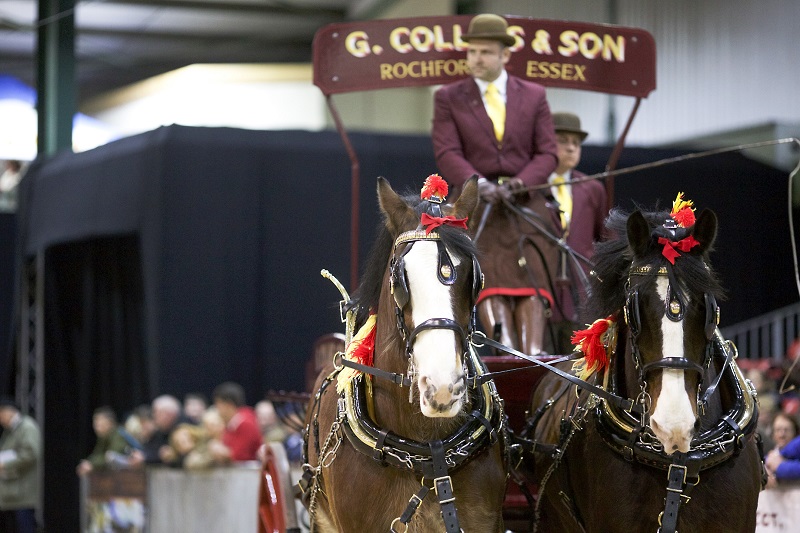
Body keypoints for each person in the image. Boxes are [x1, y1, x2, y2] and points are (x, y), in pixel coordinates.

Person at [432, 13, 559, 356]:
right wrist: (478, 185)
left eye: (485, 52)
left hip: (524, 204)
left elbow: (548, 153)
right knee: (489, 281)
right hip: (479, 206)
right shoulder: (449, 97)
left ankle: (534, 357)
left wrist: (521, 183)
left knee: (533, 282)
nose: (476, 58)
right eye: (472, 51)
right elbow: (446, 151)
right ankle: (507, 356)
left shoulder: (534, 95)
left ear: (505, 54)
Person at [547, 112, 608, 353]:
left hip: (582, 294)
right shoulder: (530, 187)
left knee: (580, 363)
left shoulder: (592, 188)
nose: (571, 148)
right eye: (563, 140)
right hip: (543, 294)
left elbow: (605, 240)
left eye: (576, 143)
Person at [0, 397, 41, 533]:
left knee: (24, 527)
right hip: (8, 495)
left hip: (23, 494)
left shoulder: (27, 427)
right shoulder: (8, 432)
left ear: (8, 412)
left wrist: (5, 465)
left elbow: (30, 454)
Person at [128, 395, 191, 466]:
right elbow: (155, 450)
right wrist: (143, 456)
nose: (154, 417)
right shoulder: (162, 429)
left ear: (168, 414)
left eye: (156, 413)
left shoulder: (185, 428)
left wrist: (174, 455)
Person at [211, 382, 263, 463]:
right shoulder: (231, 425)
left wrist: (219, 450)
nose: (217, 408)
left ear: (228, 405)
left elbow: (240, 456)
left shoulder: (246, 423)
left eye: (218, 403)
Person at [76, 406, 136, 475]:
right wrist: (88, 463)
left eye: (99, 421)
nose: (96, 425)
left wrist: (92, 464)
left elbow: (112, 456)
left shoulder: (118, 435)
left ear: (109, 422)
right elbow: (97, 455)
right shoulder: (103, 438)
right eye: (95, 421)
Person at [765, 411, 800, 487]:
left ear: (795, 432)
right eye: (778, 430)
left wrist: (779, 466)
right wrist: (764, 471)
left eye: (786, 430)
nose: (782, 435)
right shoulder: (769, 457)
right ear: (772, 433)